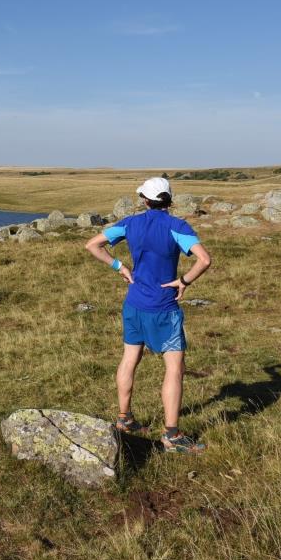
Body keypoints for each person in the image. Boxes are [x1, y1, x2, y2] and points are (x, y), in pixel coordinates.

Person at [84, 177, 212, 454]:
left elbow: (92, 245)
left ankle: (124, 419)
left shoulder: (131, 223)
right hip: (164, 308)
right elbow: (204, 260)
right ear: (169, 200)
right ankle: (172, 436)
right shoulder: (177, 226)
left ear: (145, 200)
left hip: (134, 304)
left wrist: (119, 266)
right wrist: (184, 281)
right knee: (174, 369)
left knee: (129, 359)